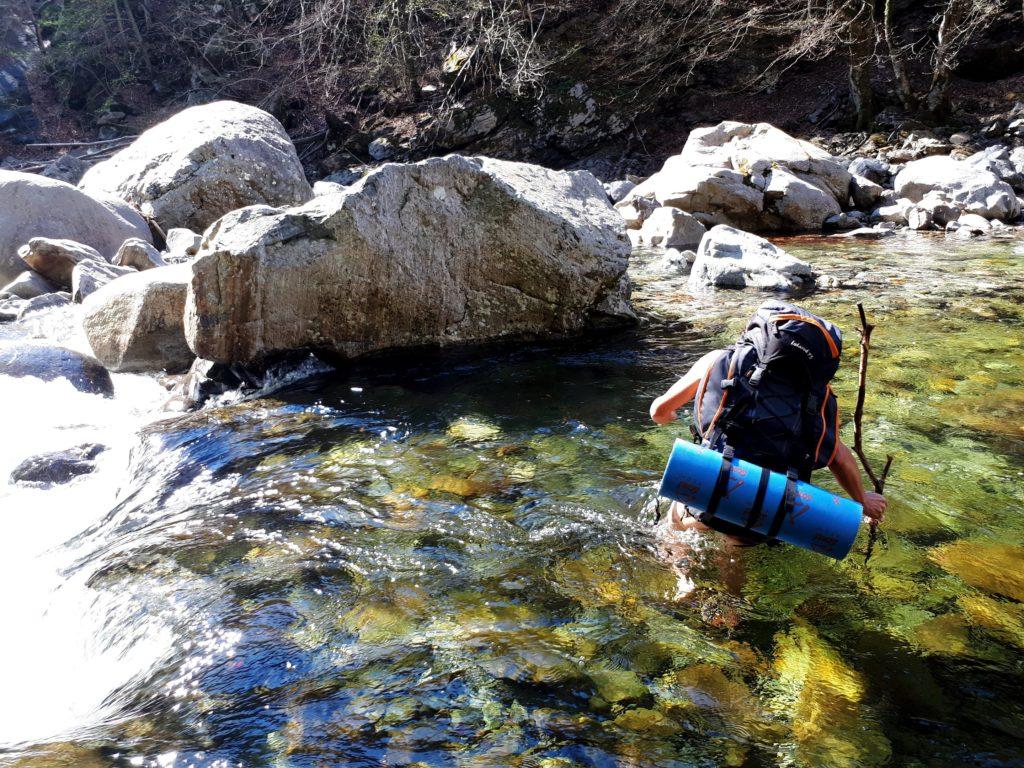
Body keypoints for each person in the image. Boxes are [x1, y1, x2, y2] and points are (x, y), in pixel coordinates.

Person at [650, 303, 886, 547]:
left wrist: (667, 416)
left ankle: (684, 582)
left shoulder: (720, 360)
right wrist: (862, 501)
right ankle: (731, 574)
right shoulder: (820, 397)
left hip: (714, 488)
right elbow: (838, 456)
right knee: (736, 546)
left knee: (677, 523)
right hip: (773, 509)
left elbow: (658, 411)